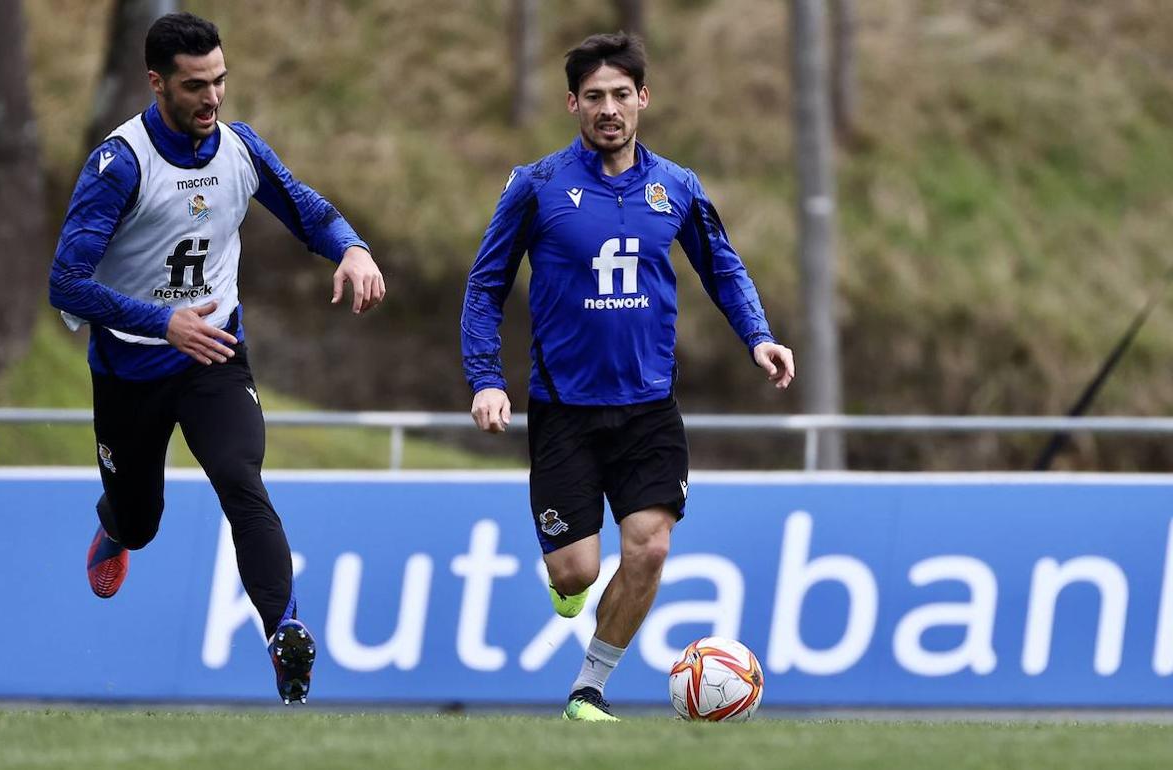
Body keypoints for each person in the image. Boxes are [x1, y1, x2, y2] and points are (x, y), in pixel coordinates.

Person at [49, 12, 385, 705]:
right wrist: (162, 321)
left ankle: (283, 637)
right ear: (156, 83)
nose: (213, 98)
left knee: (241, 480)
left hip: (215, 359)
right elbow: (66, 282)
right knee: (142, 519)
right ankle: (114, 524)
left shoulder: (239, 149)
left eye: (221, 80)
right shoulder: (119, 164)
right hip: (130, 369)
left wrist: (353, 248)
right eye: (196, 86)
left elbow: (312, 213)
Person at [460, 32, 793, 721]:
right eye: (594, 97)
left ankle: (588, 690)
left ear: (643, 98)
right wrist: (485, 378)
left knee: (650, 546)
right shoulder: (538, 186)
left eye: (620, 95)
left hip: (647, 408)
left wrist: (758, 337)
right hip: (565, 410)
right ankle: (568, 584)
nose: (608, 108)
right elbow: (486, 285)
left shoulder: (677, 187)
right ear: (572, 103)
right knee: (576, 571)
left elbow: (722, 268)